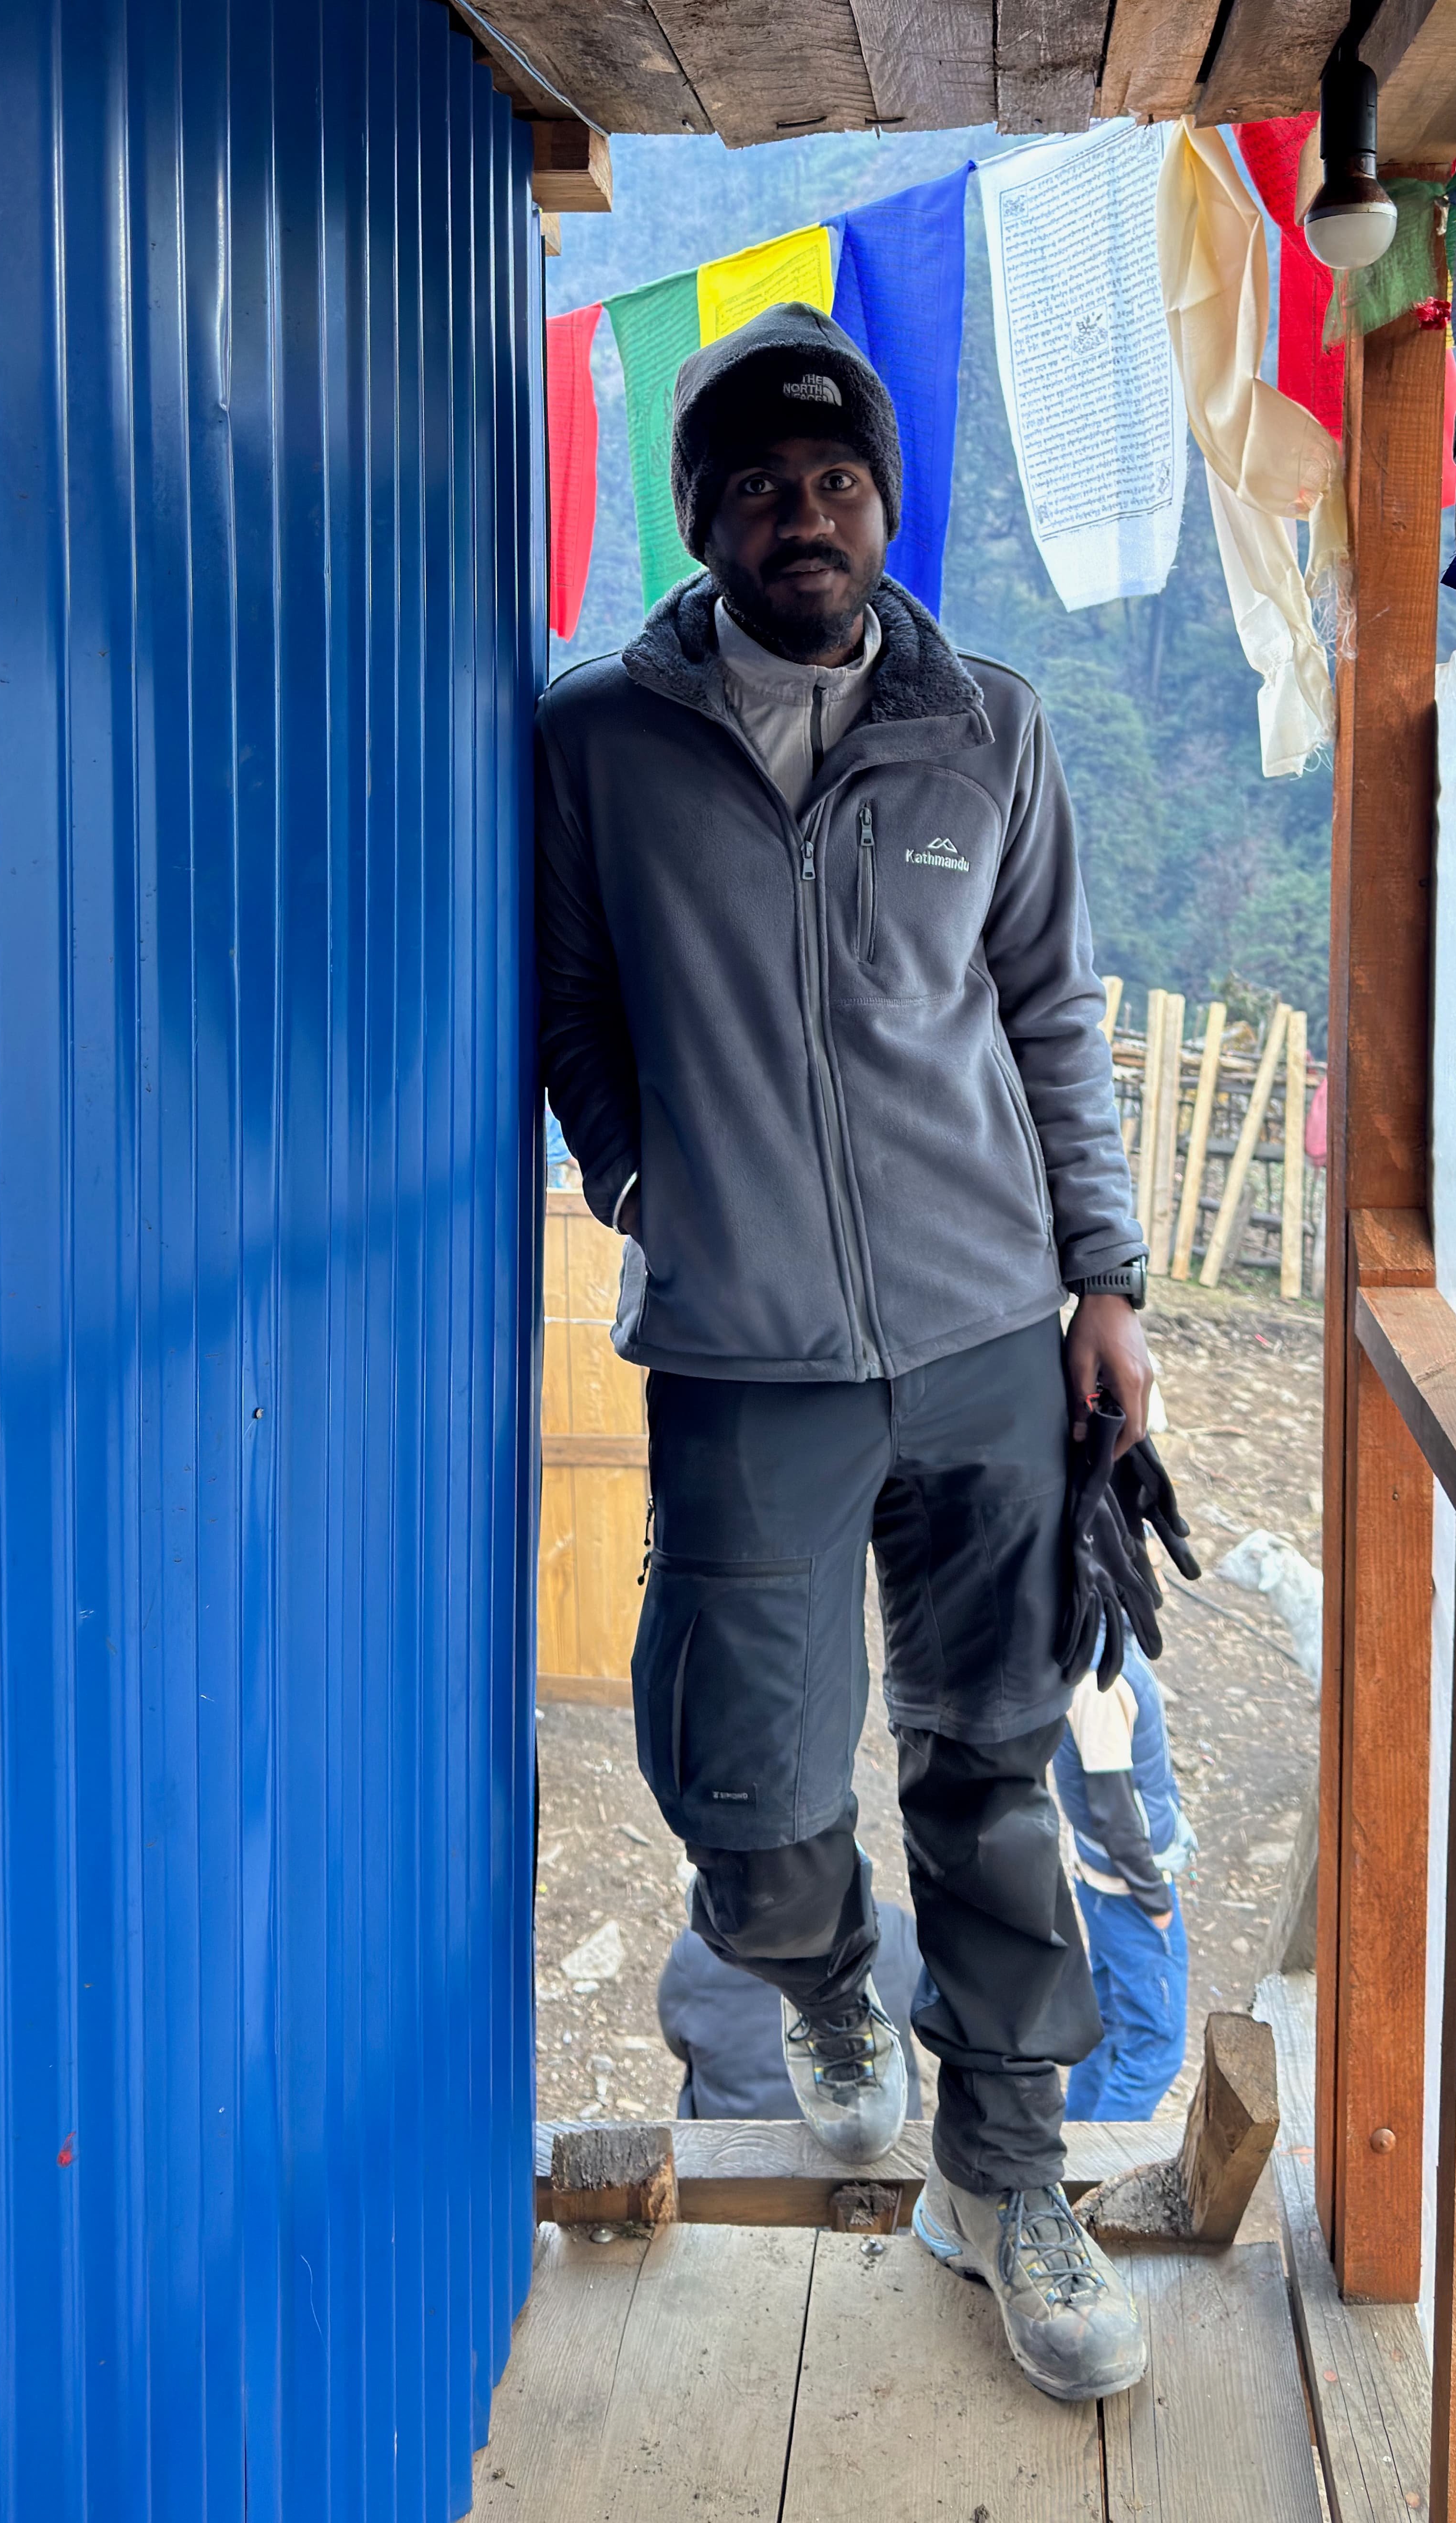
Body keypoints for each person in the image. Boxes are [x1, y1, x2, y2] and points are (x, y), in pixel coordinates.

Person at [535, 302, 1155, 2403]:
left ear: (883, 505)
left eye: (839, 479)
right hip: (744, 1357)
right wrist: (644, 1192)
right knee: (745, 1799)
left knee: (990, 1770)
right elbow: (569, 1012)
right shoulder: (597, 744)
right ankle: (824, 1987)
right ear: (701, 511)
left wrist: (1109, 1289)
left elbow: (1054, 1015)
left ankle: (1007, 2177)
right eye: (763, 482)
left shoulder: (987, 727)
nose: (806, 512)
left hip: (990, 1338)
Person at [1054, 1638, 1196, 2120]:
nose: (1156, 1573)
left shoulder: (1102, 1645)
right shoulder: (1102, 1679)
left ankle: (1077, 2158)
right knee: (1155, 2046)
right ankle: (1098, 2180)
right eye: (1145, 1561)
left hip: (1109, 1883)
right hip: (1126, 1891)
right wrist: (1154, 1897)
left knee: (1111, 2025)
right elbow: (1113, 1809)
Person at [659, 1889, 925, 2123]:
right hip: (881, 2157)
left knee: (700, 2069)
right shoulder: (894, 1928)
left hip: (733, 2164)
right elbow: (927, 2014)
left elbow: (678, 2042)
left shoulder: (696, 1950)